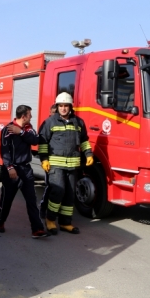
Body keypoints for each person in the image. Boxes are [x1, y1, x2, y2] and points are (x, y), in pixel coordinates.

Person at [38, 92, 93, 235]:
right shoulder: (50, 122)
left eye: (66, 106)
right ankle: (50, 220)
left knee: (69, 194)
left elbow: (84, 140)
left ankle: (65, 223)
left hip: (73, 165)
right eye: (60, 106)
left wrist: (88, 154)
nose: (63, 108)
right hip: (56, 164)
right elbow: (43, 142)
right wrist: (44, 159)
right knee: (58, 191)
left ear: (70, 107)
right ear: (57, 107)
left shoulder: (78, 122)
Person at [0, 105, 49, 239]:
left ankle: (37, 229)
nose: (31, 116)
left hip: (26, 169)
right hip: (12, 170)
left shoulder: (28, 128)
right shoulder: (7, 130)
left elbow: (36, 140)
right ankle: (0, 221)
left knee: (31, 200)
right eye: (29, 114)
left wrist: (21, 132)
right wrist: (9, 167)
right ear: (23, 116)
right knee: (6, 199)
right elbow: (4, 151)